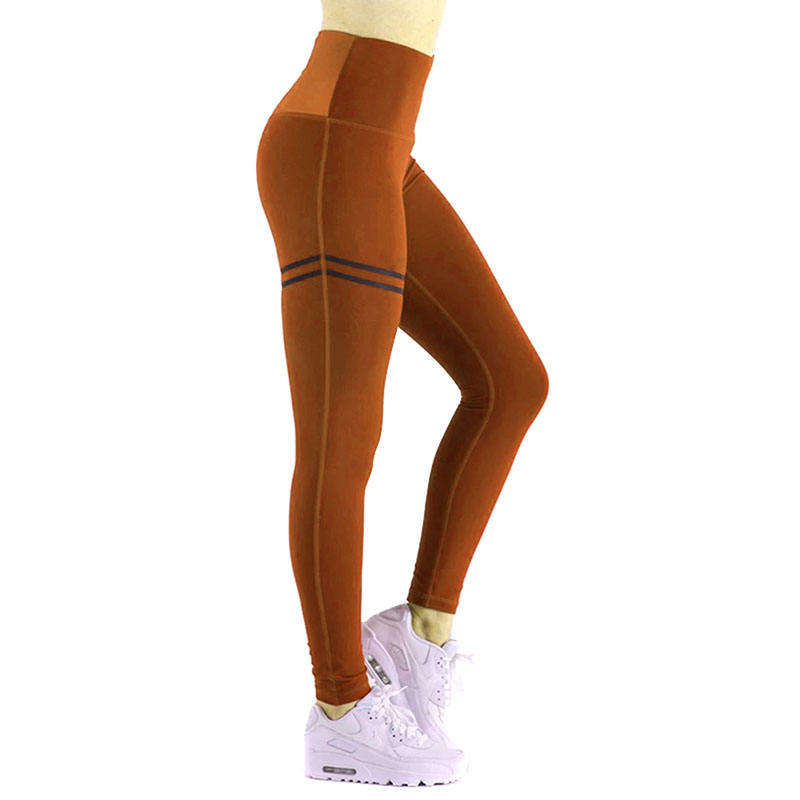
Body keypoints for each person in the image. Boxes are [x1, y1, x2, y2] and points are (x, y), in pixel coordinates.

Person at [256, 0, 548, 784]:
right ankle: (342, 708)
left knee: (511, 381)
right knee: (341, 438)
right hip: (336, 142)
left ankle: (419, 634)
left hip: (378, 144)